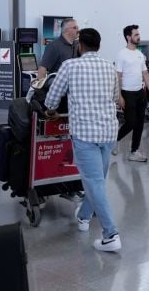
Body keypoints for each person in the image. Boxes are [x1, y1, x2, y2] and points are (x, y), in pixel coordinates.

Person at [44, 28, 121, 252]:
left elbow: (51, 99)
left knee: (94, 182)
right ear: (99, 45)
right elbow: (115, 97)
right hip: (108, 132)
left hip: (85, 134)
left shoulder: (70, 66)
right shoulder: (110, 66)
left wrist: (51, 112)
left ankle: (111, 234)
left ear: (80, 46)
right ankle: (84, 216)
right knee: (97, 181)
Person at [115, 25, 149, 162]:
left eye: (138, 34)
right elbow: (118, 76)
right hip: (127, 93)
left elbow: (145, 74)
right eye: (136, 34)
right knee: (130, 122)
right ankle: (115, 140)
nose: (139, 36)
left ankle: (134, 151)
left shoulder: (140, 55)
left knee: (139, 123)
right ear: (128, 37)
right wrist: (119, 96)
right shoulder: (121, 54)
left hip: (140, 93)